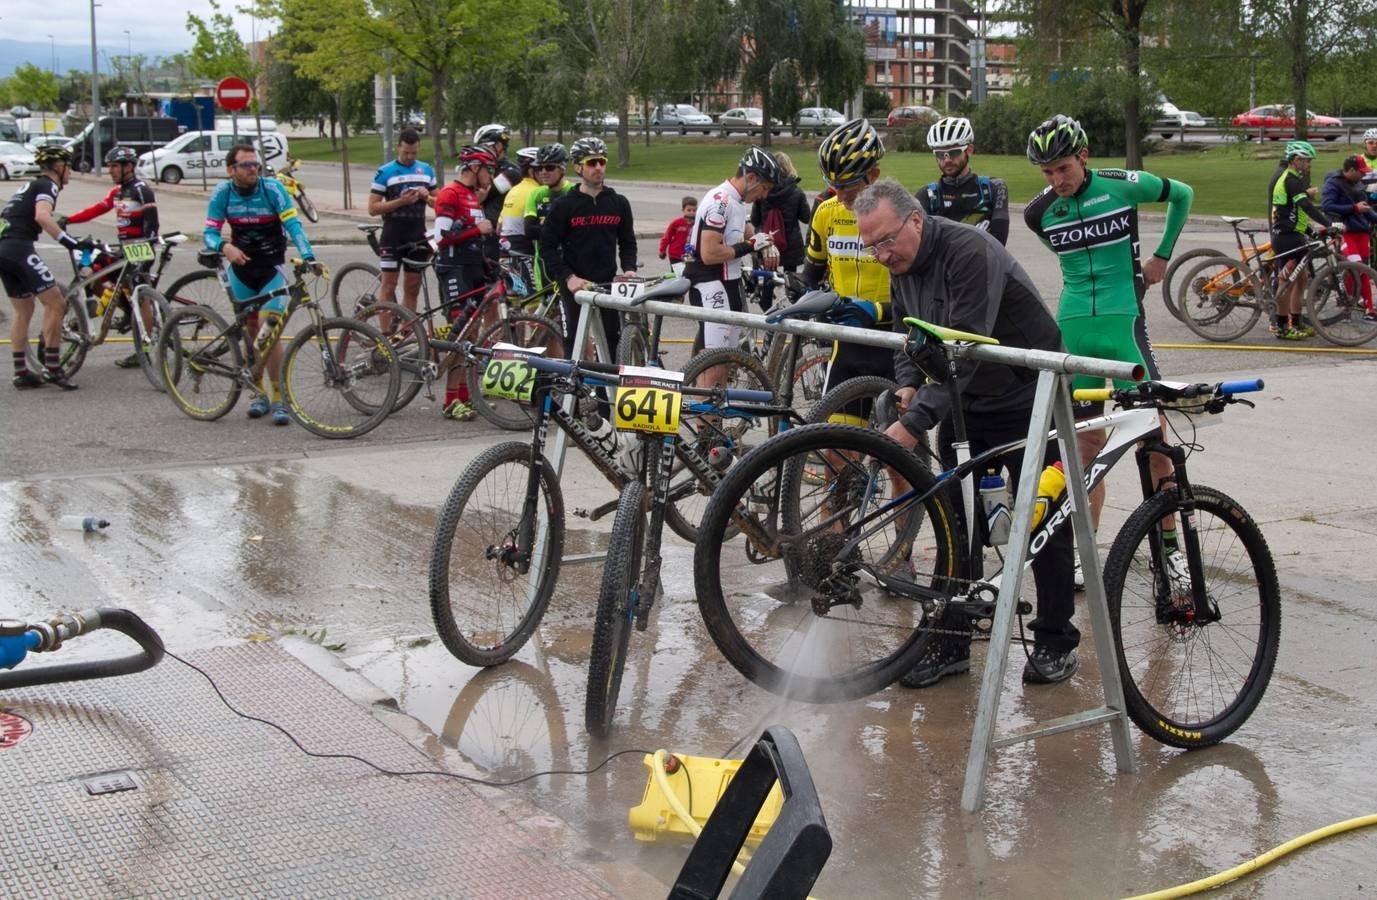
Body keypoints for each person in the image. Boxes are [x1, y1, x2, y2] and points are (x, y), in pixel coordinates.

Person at [852, 178, 1079, 687]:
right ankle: (953, 642)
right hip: (960, 400)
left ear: (915, 219)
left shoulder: (970, 251)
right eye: (872, 248)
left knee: (1039, 519)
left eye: (887, 241)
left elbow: (968, 349)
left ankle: (1055, 640)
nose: (883, 255)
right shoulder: (900, 263)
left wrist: (911, 425)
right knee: (957, 522)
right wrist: (908, 385)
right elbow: (907, 334)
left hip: (1026, 396)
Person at [1024, 114, 1194, 590]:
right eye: (1047, 173)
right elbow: (1060, 250)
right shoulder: (1039, 213)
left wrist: (1161, 255)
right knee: (1083, 450)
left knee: (1155, 442)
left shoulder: (1122, 185)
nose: (1057, 181)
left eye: (1063, 168)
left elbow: (1183, 195)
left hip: (1124, 325)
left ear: (1083, 157)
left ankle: (1170, 554)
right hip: (1075, 327)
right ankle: (1084, 552)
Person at [203, 143, 321, 425]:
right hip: (242, 270)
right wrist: (224, 247)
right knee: (251, 331)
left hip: (271, 269)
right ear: (231, 170)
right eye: (246, 165)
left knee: (269, 332)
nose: (253, 169)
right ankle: (258, 394)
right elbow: (208, 232)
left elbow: (294, 226)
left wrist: (308, 256)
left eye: (255, 164)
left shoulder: (272, 189)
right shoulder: (223, 193)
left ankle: (279, 398)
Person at [804, 119, 894, 415]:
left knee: (898, 456)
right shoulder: (826, 213)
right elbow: (812, 274)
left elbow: (925, 296)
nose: (841, 197)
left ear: (873, 175)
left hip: (893, 345)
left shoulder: (900, 216)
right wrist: (811, 304)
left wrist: (877, 311)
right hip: (848, 346)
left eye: (849, 187)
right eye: (834, 186)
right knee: (836, 453)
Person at [682, 146, 779, 387]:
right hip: (710, 283)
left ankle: (714, 422)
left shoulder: (736, 201)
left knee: (726, 363)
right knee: (713, 364)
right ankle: (704, 423)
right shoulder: (721, 201)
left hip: (729, 284)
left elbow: (747, 234)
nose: (764, 196)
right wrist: (750, 246)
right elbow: (710, 253)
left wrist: (764, 243)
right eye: (764, 188)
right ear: (751, 178)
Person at [60, 144, 160, 369]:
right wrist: (68, 220)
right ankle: (124, 309)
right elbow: (97, 209)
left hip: (141, 247)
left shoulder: (141, 188)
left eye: (115, 166)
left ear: (129, 167)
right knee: (92, 272)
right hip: (123, 248)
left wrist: (147, 246)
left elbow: (152, 221)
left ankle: (143, 349)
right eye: (110, 166)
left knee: (139, 294)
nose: (111, 171)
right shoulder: (118, 191)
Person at [540, 136, 639, 357]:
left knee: (612, 342)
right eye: (591, 163)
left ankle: (606, 392)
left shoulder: (618, 203)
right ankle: (575, 392)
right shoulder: (564, 205)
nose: (598, 168)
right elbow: (547, 248)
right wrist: (568, 277)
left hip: (606, 283)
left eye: (602, 162)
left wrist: (629, 268)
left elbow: (627, 241)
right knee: (574, 343)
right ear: (577, 167)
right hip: (575, 286)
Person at [1, 145, 84, 390]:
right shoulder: (48, 185)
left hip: (4, 248)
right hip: (19, 248)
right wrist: (67, 240)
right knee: (56, 303)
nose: (70, 172)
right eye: (69, 167)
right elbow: (42, 216)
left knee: (24, 309)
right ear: (59, 168)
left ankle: (21, 373)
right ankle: (53, 369)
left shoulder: (29, 185)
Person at [432, 144, 498, 422]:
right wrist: (477, 229)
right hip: (453, 270)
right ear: (474, 168)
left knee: (471, 337)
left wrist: (485, 261)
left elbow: (471, 236)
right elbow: (441, 236)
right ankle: (449, 401)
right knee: (461, 337)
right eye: (488, 170)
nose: (491, 177)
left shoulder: (472, 196)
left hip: (472, 269)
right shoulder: (450, 193)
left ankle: (464, 396)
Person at [1268, 140, 1334, 339]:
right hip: (1286, 237)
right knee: (1286, 280)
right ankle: (1281, 326)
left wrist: (1311, 230)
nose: (1309, 165)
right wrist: (1328, 223)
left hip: (1292, 233)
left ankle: (1295, 321)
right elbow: (1305, 205)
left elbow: (1292, 213)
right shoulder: (1291, 180)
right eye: (1307, 161)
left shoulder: (1293, 178)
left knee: (1301, 278)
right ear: (1296, 160)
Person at [367, 128, 436, 315]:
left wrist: (427, 196)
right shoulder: (385, 171)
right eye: (406, 152)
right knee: (389, 286)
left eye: (414, 152)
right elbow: (373, 208)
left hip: (417, 235)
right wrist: (401, 201)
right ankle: (384, 336)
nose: (410, 156)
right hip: (392, 235)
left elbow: (440, 205)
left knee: (412, 286)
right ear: (399, 147)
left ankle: (407, 332)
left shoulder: (426, 170)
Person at [921, 116, 1009, 245]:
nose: (947, 160)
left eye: (954, 152)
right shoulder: (927, 195)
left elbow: (999, 244)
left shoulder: (994, 188)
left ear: (969, 150)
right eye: (940, 154)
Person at [1321, 155, 1377, 317]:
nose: (1363, 175)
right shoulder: (1333, 183)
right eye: (1361, 172)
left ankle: (1366, 307)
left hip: (1362, 232)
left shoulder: (1358, 184)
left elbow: (1366, 210)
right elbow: (1327, 206)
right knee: (1357, 266)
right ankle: (1353, 301)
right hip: (1345, 233)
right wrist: (1354, 208)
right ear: (1351, 170)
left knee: (1364, 270)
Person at [523, 143, 575, 293]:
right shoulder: (536, 194)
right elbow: (529, 231)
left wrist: (546, 225)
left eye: (550, 167)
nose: (543, 172)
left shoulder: (573, 192)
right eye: (540, 168)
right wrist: (560, 227)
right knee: (547, 311)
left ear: (562, 169)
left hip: (571, 262)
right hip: (544, 263)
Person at [751, 152, 810, 275]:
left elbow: (755, 220)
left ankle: (767, 294)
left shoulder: (762, 190)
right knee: (791, 279)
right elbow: (806, 217)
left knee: (769, 277)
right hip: (791, 244)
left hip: (767, 242)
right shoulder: (796, 191)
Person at [474, 123, 522, 261]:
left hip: (498, 236)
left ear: (499, 146)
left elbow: (482, 194)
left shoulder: (511, 172)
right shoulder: (488, 168)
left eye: (483, 147)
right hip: (481, 233)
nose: (479, 151)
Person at [659, 196, 697, 267]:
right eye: (689, 210)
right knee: (676, 275)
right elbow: (667, 237)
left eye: (694, 210)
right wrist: (662, 250)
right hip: (675, 254)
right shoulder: (676, 223)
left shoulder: (697, 224)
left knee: (687, 275)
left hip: (689, 254)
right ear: (683, 210)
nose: (691, 212)